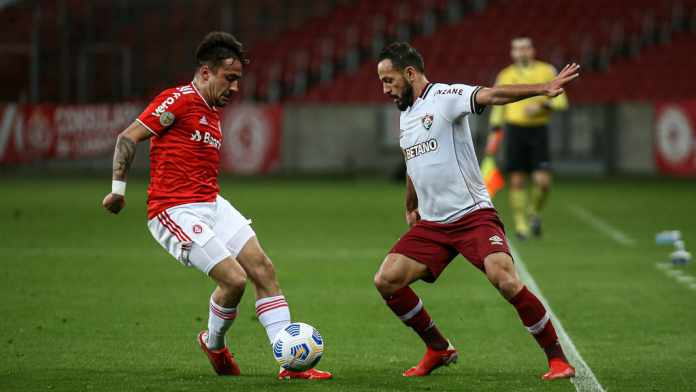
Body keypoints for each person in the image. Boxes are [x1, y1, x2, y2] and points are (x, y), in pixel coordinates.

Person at [101, 31, 331, 381]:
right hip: (174, 209)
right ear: (206, 72)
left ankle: (290, 365)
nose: (236, 88)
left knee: (263, 270)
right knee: (235, 280)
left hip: (212, 203)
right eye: (230, 78)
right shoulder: (177, 100)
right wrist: (118, 190)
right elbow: (127, 137)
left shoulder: (212, 111)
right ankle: (214, 342)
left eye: (238, 79)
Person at [374, 42, 578, 380]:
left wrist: (543, 88)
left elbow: (493, 95)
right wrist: (411, 204)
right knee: (387, 280)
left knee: (505, 279)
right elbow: (413, 163)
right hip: (434, 224)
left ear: (410, 73)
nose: (385, 89)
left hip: (472, 216)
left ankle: (557, 359)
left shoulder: (445, 97)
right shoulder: (406, 115)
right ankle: (439, 348)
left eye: (389, 80)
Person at [487, 37, 570, 239]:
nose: (521, 52)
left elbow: (562, 102)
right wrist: (495, 131)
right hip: (515, 131)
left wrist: (541, 106)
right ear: (512, 53)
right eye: (517, 49)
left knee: (543, 182)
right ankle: (521, 225)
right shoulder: (505, 74)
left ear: (532, 50)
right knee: (516, 181)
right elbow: (498, 104)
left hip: (538, 130)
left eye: (525, 48)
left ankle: (534, 212)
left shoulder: (547, 71)